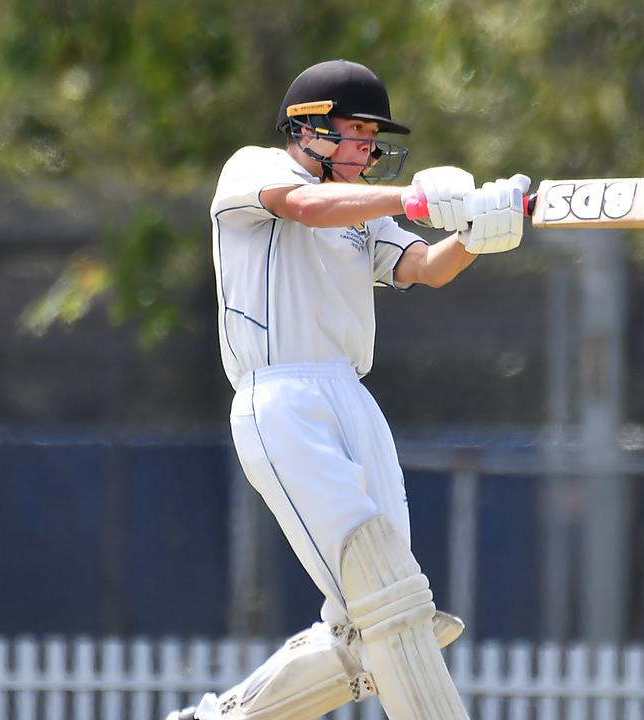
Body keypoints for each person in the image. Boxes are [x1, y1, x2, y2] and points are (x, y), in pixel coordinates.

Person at [163, 59, 526, 720]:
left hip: (352, 399)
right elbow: (304, 207)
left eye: (371, 136)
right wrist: (412, 195)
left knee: (382, 623)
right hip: (280, 401)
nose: (367, 148)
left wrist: (478, 234)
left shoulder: (362, 210)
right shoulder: (255, 169)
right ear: (309, 130)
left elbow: (423, 267)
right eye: (356, 133)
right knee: (386, 603)